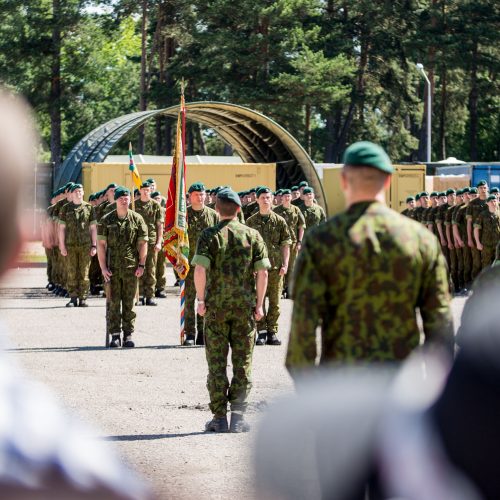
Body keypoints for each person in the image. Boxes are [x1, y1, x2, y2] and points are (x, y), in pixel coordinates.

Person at [0, 87, 149, 499]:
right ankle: (93, 308)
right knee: (86, 281)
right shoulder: (62, 467)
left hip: (108, 259)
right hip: (95, 255)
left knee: (120, 298)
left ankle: (110, 318)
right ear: (17, 249)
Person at [286, 141, 454, 373]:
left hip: (341, 384)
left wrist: (314, 395)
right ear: (388, 181)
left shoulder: (321, 240)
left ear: (344, 180)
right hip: (402, 386)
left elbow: (302, 330)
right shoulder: (420, 240)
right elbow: (440, 324)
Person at [192, 187, 270, 433]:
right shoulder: (253, 235)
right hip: (244, 310)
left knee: (216, 364)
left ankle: (218, 418)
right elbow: (263, 272)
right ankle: (238, 417)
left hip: (216, 309)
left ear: (216, 209)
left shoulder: (208, 235)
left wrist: (201, 300)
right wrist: (259, 304)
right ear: (239, 209)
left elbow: (200, 270)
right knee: (243, 363)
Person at [97, 187, 148, 348]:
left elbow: (142, 243)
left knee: (129, 303)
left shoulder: (137, 219)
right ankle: (115, 335)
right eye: (121, 198)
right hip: (112, 268)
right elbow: (101, 245)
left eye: (127, 198)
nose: (124, 201)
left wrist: (142, 265)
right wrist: (103, 268)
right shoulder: (106, 220)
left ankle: (128, 334)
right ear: (116, 200)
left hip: (131, 267)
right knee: (113, 302)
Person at [246, 186, 291, 346]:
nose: (266, 200)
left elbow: (286, 244)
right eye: (263, 197)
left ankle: (272, 331)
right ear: (257, 200)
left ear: (272, 199)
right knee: (259, 300)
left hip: (275, 268)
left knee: (275, 302)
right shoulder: (250, 222)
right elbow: (247, 247)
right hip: (257, 270)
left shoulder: (280, 221)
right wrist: (248, 268)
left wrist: (285, 264)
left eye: (268, 197)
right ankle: (261, 331)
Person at [183, 182, 218, 346]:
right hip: (189, 265)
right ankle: (190, 334)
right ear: (190, 196)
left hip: (209, 265)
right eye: (196, 194)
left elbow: (221, 240)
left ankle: (203, 333)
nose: (200, 197)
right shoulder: (184, 216)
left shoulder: (214, 216)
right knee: (190, 300)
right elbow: (177, 241)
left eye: (202, 194)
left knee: (206, 300)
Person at [58, 183, 97, 307]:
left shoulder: (89, 208)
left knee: (84, 273)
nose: (78, 193)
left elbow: (93, 228)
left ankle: (83, 298)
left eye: (80, 191)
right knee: (71, 272)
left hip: (86, 245)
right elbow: (61, 228)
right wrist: (62, 245)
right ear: (72, 194)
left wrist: (94, 245)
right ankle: (73, 297)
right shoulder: (65, 208)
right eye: (76, 192)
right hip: (70, 245)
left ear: (83, 193)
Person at [134, 181, 163, 306]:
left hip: (151, 241)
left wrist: (159, 241)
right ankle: (139, 295)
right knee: (138, 268)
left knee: (151, 269)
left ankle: (149, 296)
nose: (146, 192)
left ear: (150, 191)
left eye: (148, 190)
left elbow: (159, 225)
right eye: (143, 190)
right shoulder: (133, 205)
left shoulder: (156, 205)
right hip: (137, 241)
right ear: (140, 191)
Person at [273, 188, 306, 298]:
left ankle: (290, 289)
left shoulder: (296, 210)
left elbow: (301, 226)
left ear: (291, 197)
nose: (287, 198)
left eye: (289, 196)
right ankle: (280, 289)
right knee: (280, 266)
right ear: (281, 198)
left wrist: (300, 241)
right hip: (280, 243)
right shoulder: (276, 210)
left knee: (292, 267)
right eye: (285, 196)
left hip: (293, 242)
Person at [467, 180, 489, 280]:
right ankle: (474, 287)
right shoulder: (472, 204)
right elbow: (469, 222)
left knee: (489, 263)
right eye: (481, 188)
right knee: (476, 263)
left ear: (487, 188)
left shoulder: (493, 201)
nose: (483, 190)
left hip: (490, 237)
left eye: (484, 187)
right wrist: (470, 239)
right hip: (476, 237)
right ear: (478, 189)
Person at [473, 194, 500, 269]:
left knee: (497, 265)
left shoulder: (499, 214)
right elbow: (476, 229)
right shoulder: (483, 214)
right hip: (486, 245)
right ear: (487, 203)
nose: (493, 203)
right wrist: (478, 243)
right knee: (486, 265)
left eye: (495, 201)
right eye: (491, 201)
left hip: (498, 245)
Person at [151, 190, 167, 297]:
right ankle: (150, 288)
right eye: (155, 199)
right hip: (153, 240)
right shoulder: (152, 210)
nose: (157, 200)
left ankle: (160, 288)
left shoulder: (166, 210)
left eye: (159, 198)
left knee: (161, 265)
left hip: (163, 240)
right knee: (152, 266)